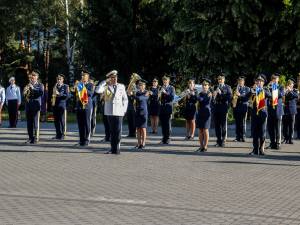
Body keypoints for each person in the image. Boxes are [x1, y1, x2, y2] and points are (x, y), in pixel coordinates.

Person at [95, 70, 128, 154]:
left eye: (115, 77)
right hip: (109, 111)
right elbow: (98, 90)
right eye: (112, 78)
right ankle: (113, 149)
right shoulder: (106, 86)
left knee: (118, 131)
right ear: (110, 79)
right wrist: (104, 82)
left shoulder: (121, 86)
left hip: (119, 111)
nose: (114, 79)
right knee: (112, 131)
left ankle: (117, 148)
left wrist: (124, 110)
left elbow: (125, 99)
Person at [249, 74, 271, 155]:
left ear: (263, 83)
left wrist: (261, 90)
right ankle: (255, 149)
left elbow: (270, 95)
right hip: (254, 113)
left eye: (261, 81)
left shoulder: (265, 89)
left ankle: (261, 149)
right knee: (254, 132)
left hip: (263, 113)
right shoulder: (252, 90)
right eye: (258, 81)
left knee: (262, 133)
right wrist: (253, 90)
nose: (259, 82)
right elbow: (246, 97)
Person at [24, 70, 44, 144]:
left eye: (34, 76)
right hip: (28, 106)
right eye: (32, 77)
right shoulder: (28, 85)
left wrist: (32, 88)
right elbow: (25, 95)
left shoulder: (40, 85)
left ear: (37, 77)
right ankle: (30, 138)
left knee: (35, 123)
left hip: (36, 106)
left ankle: (36, 138)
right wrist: (25, 91)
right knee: (29, 123)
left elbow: (41, 93)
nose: (32, 78)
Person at [212, 74, 232, 147]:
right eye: (218, 79)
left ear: (224, 80)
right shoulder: (215, 87)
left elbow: (229, 97)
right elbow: (212, 98)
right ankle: (218, 140)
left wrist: (221, 93)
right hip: (216, 107)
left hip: (223, 107)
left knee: (223, 125)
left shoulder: (227, 87)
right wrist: (214, 95)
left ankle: (223, 140)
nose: (219, 81)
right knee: (217, 125)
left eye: (221, 79)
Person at [75, 71, 94, 146]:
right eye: (82, 76)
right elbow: (76, 94)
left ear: (87, 77)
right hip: (79, 106)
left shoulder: (90, 84)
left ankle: (86, 139)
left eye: (84, 76)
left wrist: (82, 87)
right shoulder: (79, 84)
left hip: (87, 106)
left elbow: (90, 94)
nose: (82, 77)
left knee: (86, 123)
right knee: (80, 123)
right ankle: (81, 139)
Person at [266, 73, 284, 150]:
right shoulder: (268, 87)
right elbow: (266, 94)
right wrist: (267, 87)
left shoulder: (281, 87)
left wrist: (274, 87)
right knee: (270, 127)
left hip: (278, 110)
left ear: (278, 80)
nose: (274, 80)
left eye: (276, 79)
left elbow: (280, 94)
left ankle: (278, 143)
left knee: (278, 127)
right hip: (270, 109)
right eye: (273, 79)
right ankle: (272, 142)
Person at [232, 76, 251, 142]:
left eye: (241, 81)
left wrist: (239, 95)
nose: (240, 82)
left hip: (243, 107)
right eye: (239, 81)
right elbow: (233, 97)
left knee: (242, 122)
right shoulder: (235, 88)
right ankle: (237, 137)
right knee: (237, 123)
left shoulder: (247, 89)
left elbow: (246, 98)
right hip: (236, 107)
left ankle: (243, 136)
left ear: (244, 82)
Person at [196, 78, 212, 152]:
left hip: (206, 113)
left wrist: (204, 98)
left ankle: (205, 146)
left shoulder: (210, 93)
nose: (204, 86)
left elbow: (204, 101)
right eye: (203, 85)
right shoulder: (200, 94)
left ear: (208, 86)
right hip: (200, 113)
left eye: (206, 85)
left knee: (205, 130)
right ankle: (201, 146)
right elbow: (199, 99)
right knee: (200, 130)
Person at [52, 74, 69, 140]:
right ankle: (58, 134)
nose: (58, 80)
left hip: (62, 105)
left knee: (62, 121)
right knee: (56, 121)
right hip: (55, 105)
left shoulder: (65, 86)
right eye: (58, 79)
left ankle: (63, 134)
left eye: (60, 79)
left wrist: (59, 94)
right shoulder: (55, 86)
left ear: (63, 80)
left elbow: (67, 96)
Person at [159, 75, 175, 144]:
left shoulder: (171, 88)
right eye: (163, 80)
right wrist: (159, 93)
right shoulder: (161, 87)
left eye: (166, 80)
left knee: (168, 124)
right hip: (162, 108)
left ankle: (168, 138)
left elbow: (172, 98)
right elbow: (158, 98)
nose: (164, 82)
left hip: (168, 108)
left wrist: (165, 92)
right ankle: (164, 138)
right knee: (163, 124)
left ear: (168, 81)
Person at [282, 78, 298, 144]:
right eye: (288, 84)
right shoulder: (284, 90)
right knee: (285, 125)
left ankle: (290, 139)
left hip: (292, 110)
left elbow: (296, 96)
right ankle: (286, 138)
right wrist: (285, 91)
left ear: (293, 85)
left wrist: (290, 91)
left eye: (291, 84)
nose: (290, 85)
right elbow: (282, 97)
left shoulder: (295, 90)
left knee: (291, 125)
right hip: (285, 109)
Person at [296, 75, 300, 139]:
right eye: (298, 80)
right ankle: (298, 135)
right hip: (297, 107)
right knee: (298, 122)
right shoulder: (296, 88)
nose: (299, 81)